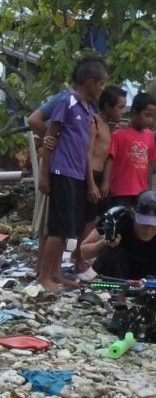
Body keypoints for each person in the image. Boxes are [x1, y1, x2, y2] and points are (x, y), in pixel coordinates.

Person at [35, 57, 108, 293]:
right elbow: (50, 140)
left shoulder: (88, 110)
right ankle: (44, 276)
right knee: (58, 229)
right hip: (61, 171)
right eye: (102, 84)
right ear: (90, 82)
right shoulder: (66, 102)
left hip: (76, 174)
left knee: (68, 228)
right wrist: (45, 176)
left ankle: (56, 273)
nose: (102, 89)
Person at [78, 187, 156, 280]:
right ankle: (117, 292)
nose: (148, 230)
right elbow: (84, 253)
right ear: (133, 215)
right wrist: (105, 241)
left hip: (150, 272)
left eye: (154, 225)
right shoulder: (117, 218)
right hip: (121, 271)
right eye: (144, 223)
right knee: (113, 251)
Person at [102, 92, 156, 205]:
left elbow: (150, 163)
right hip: (121, 191)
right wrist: (105, 182)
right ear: (134, 112)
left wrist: (149, 189)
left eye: (153, 117)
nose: (150, 120)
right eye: (147, 115)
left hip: (142, 192)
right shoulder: (119, 133)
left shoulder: (150, 136)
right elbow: (110, 159)